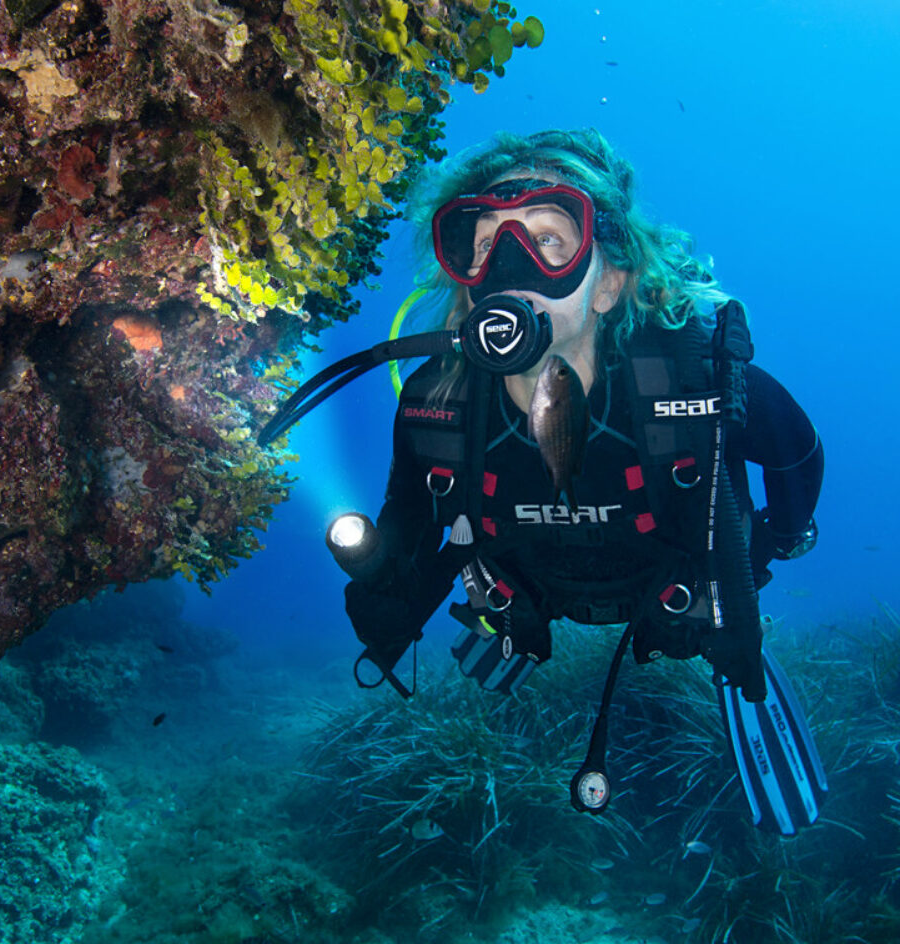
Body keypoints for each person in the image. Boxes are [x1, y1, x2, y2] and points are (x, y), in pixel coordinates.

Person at [340, 129, 825, 834]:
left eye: (550, 239)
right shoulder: (438, 401)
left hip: (673, 591)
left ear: (610, 283)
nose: (509, 265)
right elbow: (411, 526)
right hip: (526, 594)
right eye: (482, 246)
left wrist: (764, 554)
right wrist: (386, 589)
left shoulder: (693, 381)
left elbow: (798, 458)